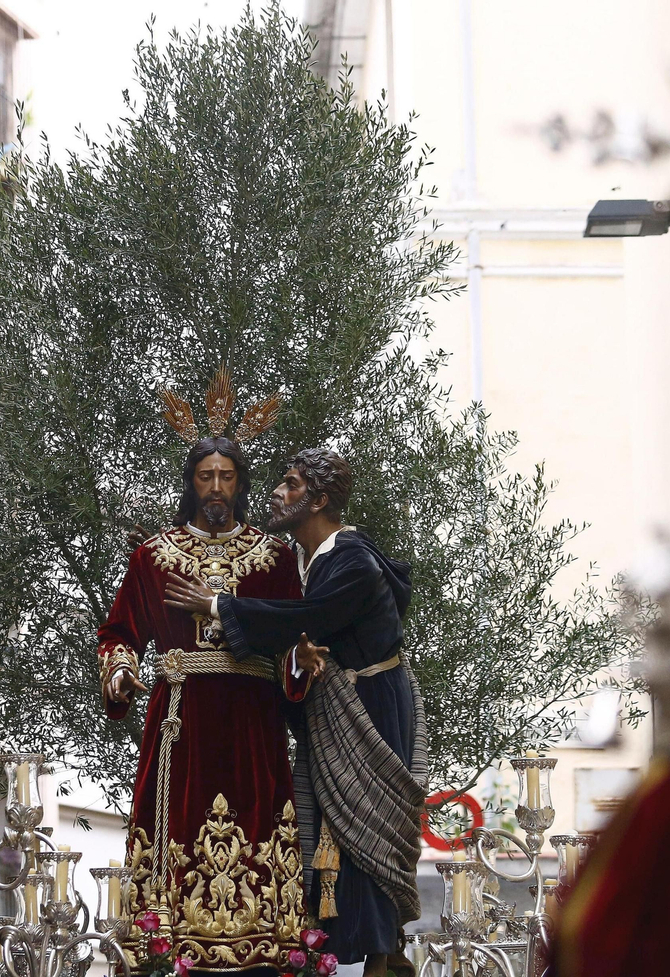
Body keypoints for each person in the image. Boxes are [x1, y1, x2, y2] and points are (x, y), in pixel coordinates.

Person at [165, 448, 426, 977]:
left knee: (364, 823)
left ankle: (383, 953)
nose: (277, 494)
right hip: (330, 702)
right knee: (329, 826)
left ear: (319, 499)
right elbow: (302, 631)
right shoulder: (304, 560)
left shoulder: (352, 559)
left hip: (367, 705)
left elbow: (311, 616)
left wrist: (217, 605)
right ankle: (330, 945)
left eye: (290, 484)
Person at [97, 378, 305, 973]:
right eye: (205, 476)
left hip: (251, 723)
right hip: (180, 721)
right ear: (190, 482)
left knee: (258, 825)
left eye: (227, 477)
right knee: (175, 840)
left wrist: (299, 664)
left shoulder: (272, 556)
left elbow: (293, 634)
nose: (216, 487)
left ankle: (266, 939)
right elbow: (119, 633)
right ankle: (162, 940)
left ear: (240, 483)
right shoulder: (154, 556)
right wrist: (120, 671)